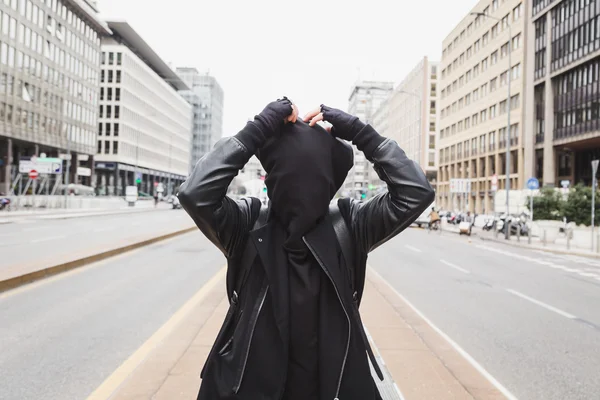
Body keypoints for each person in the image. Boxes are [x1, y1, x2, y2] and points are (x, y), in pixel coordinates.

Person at [178, 97, 434, 400]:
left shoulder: (349, 227)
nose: (301, 184)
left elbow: (415, 192)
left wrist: (361, 133)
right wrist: (257, 129)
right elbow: (195, 194)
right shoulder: (247, 225)